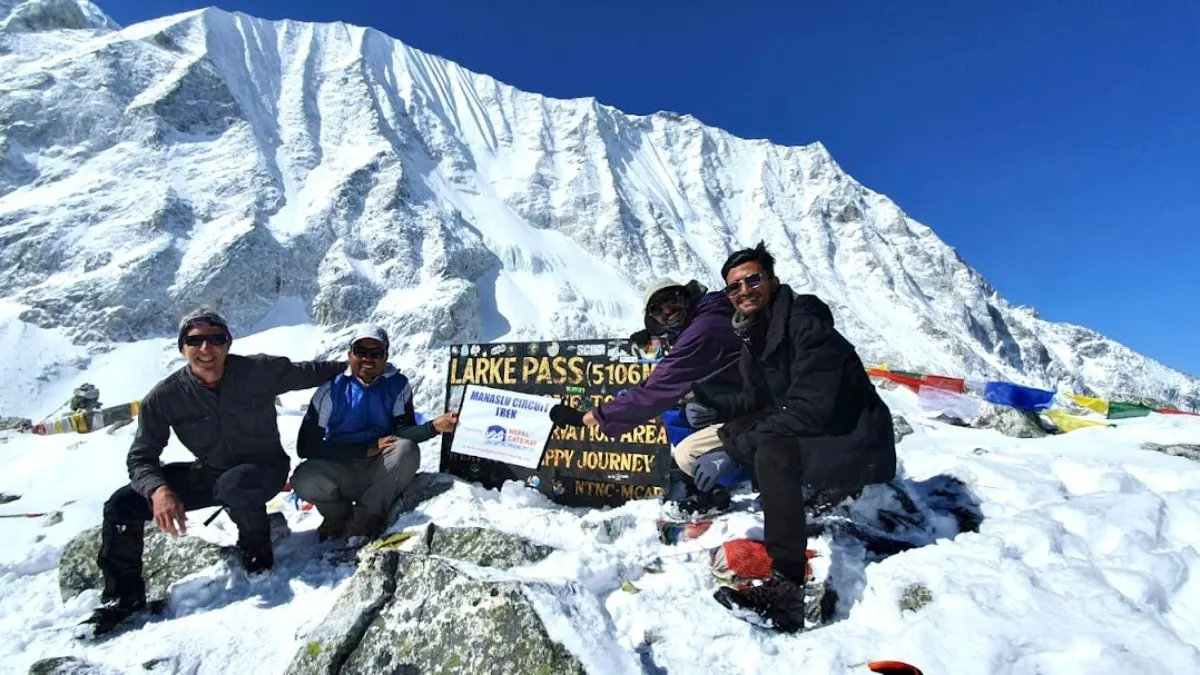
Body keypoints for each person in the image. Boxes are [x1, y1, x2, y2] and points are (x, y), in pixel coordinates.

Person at [80, 310, 347, 638]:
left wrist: (363, 363)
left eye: (215, 339)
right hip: (210, 474)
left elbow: (312, 372)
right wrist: (159, 490)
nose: (206, 348)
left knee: (235, 485)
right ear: (182, 348)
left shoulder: (257, 371)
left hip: (265, 470)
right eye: (195, 340)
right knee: (122, 505)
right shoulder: (164, 398)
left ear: (227, 344)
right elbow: (141, 457)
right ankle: (123, 597)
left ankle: (256, 550)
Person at [702, 242, 897, 633]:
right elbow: (760, 399)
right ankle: (774, 501)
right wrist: (711, 402)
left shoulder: (804, 322)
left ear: (773, 282)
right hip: (827, 428)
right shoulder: (757, 332)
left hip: (857, 438)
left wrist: (735, 450)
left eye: (752, 280)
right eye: (734, 287)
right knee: (738, 433)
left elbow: (808, 408)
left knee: (773, 454)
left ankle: (786, 593)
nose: (743, 291)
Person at [549, 278, 745, 514]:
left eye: (672, 300)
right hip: (741, 398)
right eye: (657, 310)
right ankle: (711, 486)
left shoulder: (703, 329)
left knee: (681, 436)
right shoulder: (706, 314)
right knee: (681, 410)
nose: (667, 311)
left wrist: (586, 418)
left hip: (760, 413)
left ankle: (717, 483)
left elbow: (655, 389)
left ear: (686, 296)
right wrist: (654, 339)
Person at [290, 325, 458, 541]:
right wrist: (365, 450)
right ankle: (337, 516)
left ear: (386, 356)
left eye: (376, 353)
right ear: (350, 354)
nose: (368, 359)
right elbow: (306, 446)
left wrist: (433, 427)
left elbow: (403, 431)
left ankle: (365, 518)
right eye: (361, 352)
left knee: (406, 450)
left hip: (380, 470)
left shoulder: (397, 385)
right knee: (304, 478)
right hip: (339, 466)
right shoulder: (331, 389)